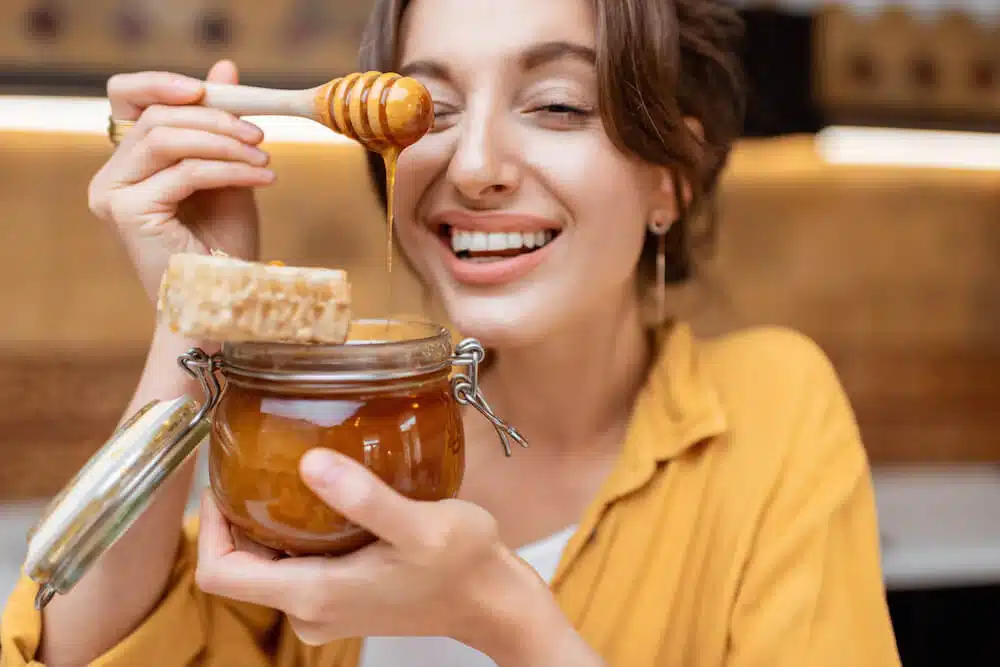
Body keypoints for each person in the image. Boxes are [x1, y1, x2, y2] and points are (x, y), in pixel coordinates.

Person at [1, 0, 903, 665]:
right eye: (429, 112)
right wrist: (199, 303)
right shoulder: (350, 425)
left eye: (555, 105)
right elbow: (79, 645)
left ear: (671, 177)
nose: (473, 168)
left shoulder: (772, 410)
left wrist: (504, 618)